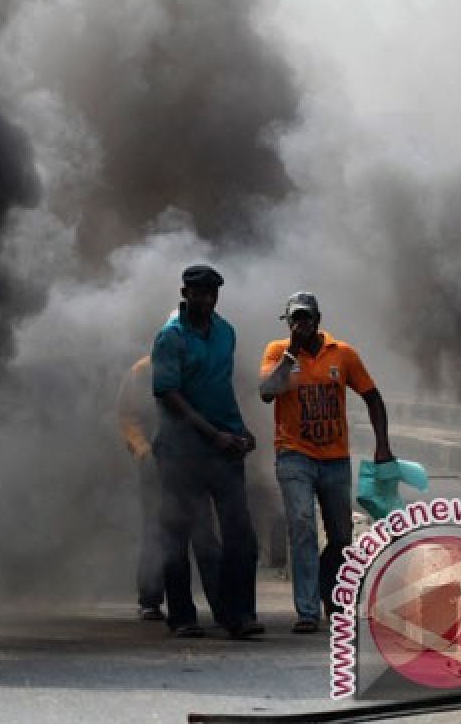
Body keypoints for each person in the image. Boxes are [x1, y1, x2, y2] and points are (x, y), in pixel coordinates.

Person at [258, 292, 394, 634]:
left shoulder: (343, 354)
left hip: (335, 458)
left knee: (341, 534)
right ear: (288, 323)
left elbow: (372, 397)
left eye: (306, 318)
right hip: (293, 454)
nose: (301, 324)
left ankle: (329, 592)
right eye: (295, 319)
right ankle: (307, 610)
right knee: (302, 525)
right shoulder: (277, 352)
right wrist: (291, 352)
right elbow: (266, 391)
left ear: (318, 320)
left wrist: (382, 446)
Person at [151, 264, 261, 639]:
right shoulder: (170, 337)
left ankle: (239, 614)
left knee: (240, 534)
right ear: (185, 294)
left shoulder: (226, 333)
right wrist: (213, 435)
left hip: (223, 447)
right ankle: (181, 615)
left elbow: (221, 388)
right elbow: (168, 393)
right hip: (181, 451)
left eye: (212, 293)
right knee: (178, 532)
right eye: (199, 293)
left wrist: (240, 428)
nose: (206, 299)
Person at [116, 356, 223, 623]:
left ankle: (221, 603)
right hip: (157, 460)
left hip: (193, 460)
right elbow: (128, 415)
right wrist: (142, 450)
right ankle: (150, 599)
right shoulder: (142, 371)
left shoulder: (202, 365)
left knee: (203, 529)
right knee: (156, 527)